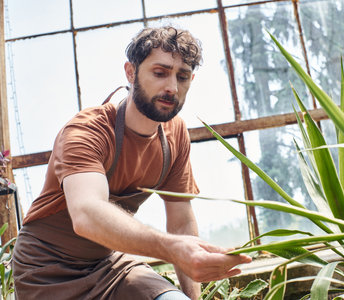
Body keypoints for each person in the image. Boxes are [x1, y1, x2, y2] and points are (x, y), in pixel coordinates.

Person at [12, 26, 251, 300]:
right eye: (160, 73)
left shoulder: (175, 135)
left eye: (182, 77)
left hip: (110, 265)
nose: (172, 87)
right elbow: (87, 214)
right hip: (46, 270)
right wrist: (171, 248)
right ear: (131, 72)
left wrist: (192, 295)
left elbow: (181, 222)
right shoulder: (87, 131)